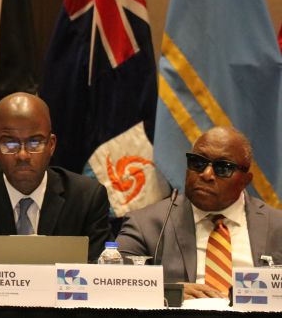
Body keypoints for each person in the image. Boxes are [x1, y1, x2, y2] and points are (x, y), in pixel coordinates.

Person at [0, 92, 111, 274]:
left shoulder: (86, 197)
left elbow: (101, 275)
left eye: (35, 143)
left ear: (51, 145)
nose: (23, 155)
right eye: (10, 144)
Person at [116, 126, 282, 300]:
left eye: (223, 168)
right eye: (198, 163)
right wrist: (167, 293)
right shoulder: (145, 224)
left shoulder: (277, 226)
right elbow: (114, 286)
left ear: (245, 180)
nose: (206, 174)